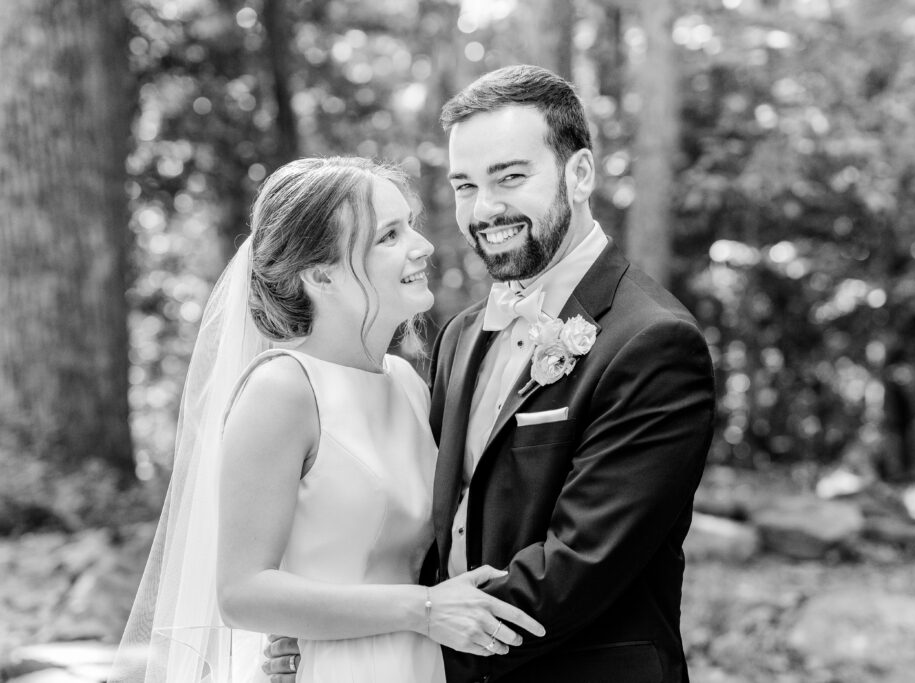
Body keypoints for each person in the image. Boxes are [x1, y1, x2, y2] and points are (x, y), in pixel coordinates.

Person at [270, 65, 716, 682]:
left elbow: (578, 566)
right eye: (464, 185)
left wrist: (398, 640)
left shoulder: (652, 340)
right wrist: (334, 629)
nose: (486, 208)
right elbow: (427, 522)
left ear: (580, 173)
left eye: (510, 177)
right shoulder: (460, 336)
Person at [109, 156, 544, 683]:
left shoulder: (406, 382)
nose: (422, 245)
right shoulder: (283, 390)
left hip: (427, 663)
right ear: (321, 275)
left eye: (410, 225)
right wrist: (424, 609)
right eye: (388, 235)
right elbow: (242, 594)